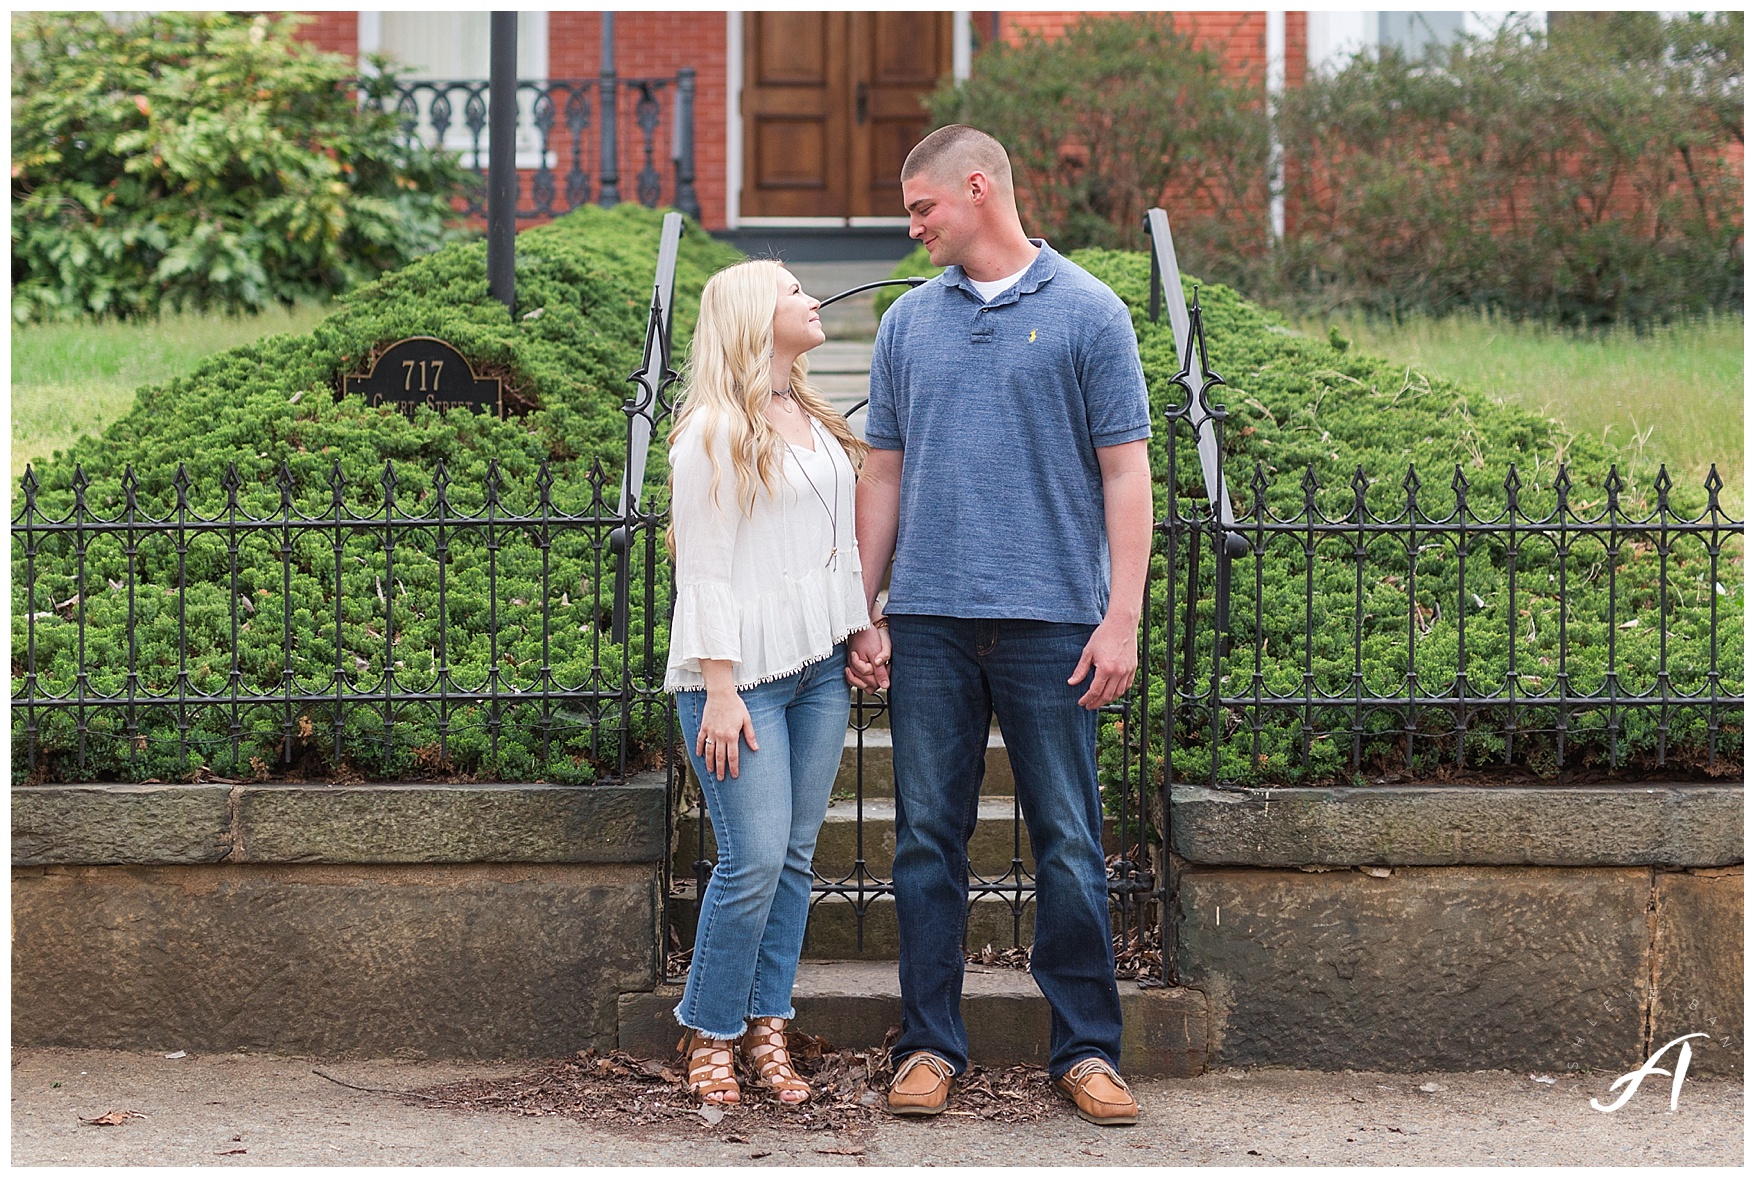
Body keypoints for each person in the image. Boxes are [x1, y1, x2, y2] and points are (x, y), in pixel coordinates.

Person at [846, 125, 1153, 1127]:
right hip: (930, 621)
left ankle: (1089, 1049)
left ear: (978, 189)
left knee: (1067, 839)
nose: (913, 226)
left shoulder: (1089, 313)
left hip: (1052, 620)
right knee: (926, 840)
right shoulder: (907, 323)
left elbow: (1126, 471)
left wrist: (1121, 617)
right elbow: (882, 472)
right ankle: (929, 1043)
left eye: (921, 207)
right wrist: (866, 603)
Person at [663, 259, 872, 1105]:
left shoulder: (809, 417)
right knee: (748, 861)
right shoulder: (711, 430)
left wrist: (858, 624)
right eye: (793, 291)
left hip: (818, 668)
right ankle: (708, 1031)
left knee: (791, 859)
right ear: (754, 315)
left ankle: (765, 1029)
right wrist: (718, 688)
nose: (812, 299)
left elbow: (839, 543)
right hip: (738, 679)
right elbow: (704, 573)